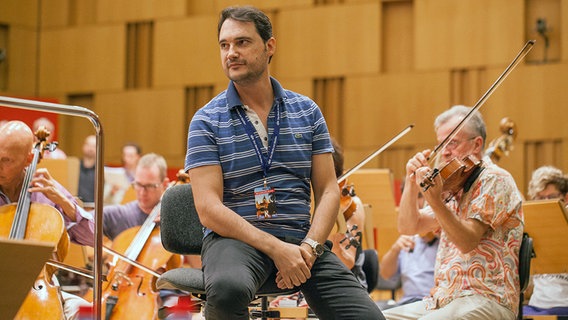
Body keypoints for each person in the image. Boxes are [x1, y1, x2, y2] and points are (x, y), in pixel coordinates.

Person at [185, 6, 384, 320]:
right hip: (235, 241)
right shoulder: (206, 121)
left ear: (269, 46)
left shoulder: (307, 112)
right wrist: (277, 249)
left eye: (242, 42)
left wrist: (309, 249)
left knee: (367, 317)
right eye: (224, 45)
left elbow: (329, 190)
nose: (231, 53)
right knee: (228, 290)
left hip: (301, 242)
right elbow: (208, 209)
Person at [383, 105, 524, 320]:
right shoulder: (453, 187)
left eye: (452, 143)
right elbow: (409, 226)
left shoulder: (495, 179)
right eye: (441, 144)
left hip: (488, 299)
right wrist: (411, 183)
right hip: (443, 300)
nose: (445, 151)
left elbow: (467, 241)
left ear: (477, 145)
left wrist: (435, 201)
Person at [0, 120, 95, 320]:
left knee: (88, 312)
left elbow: (94, 237)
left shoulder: (45, 189)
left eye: (6, 160)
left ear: (28, 159)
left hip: (41, 288)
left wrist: (64, 203)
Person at [101, 153, 186, 316]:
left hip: (164, 292)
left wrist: (179, 223)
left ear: (165, 184)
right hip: (117, 287)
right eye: (138, 185)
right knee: (85, 310)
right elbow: (85, 224)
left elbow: (197, 265)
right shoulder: (121, 213)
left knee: (180, 313)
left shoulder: (175, 216)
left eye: (149, 186)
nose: (142, 192)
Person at [523, 165, 568, 316]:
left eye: (552, 197)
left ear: (565, 197)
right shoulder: (532, 225)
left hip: (564, 305)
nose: (546, 202)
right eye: (541, 198)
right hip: (536, 305)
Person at [379, 233, 438, 308]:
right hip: (407, 302)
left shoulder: (447, 243)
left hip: (433, 303)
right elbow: (385, 274)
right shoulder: (409, 241)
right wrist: (395, 249)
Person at [77, 135, 96, 205]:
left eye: (94, 146)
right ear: (83, 146)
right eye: (88, 145)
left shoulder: (103, 171)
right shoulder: (74, 167)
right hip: (75, 205)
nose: (91, 149)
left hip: (94, 208)